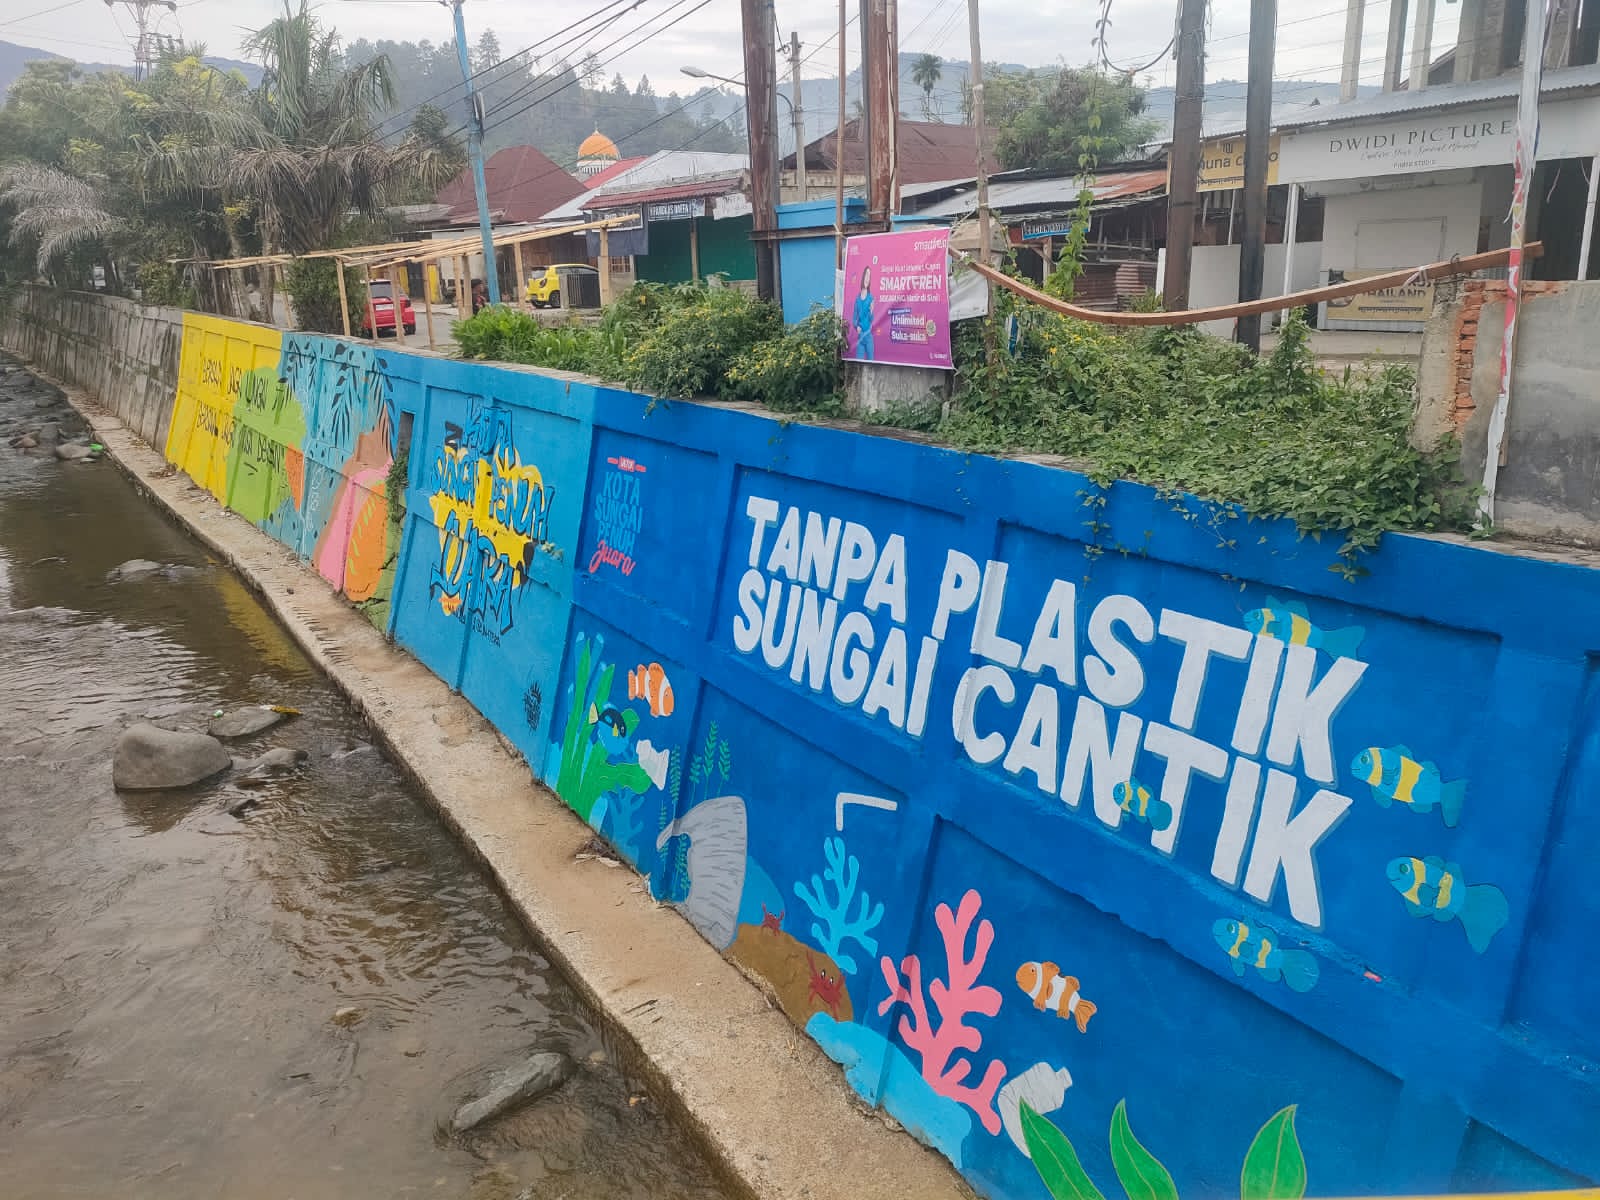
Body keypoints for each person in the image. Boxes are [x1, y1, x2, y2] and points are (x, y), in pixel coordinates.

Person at [851, 264, 875, 360]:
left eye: (869, 276)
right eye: (866, 275)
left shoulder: (871, 298)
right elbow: (854, 319)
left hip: (868, 336)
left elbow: (871, 320)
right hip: (860, 337)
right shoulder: (857, 299)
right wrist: (856, 326)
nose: (867, 278)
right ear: (863, 277)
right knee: (859, 363)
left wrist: (871, 311)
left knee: (871, 363)